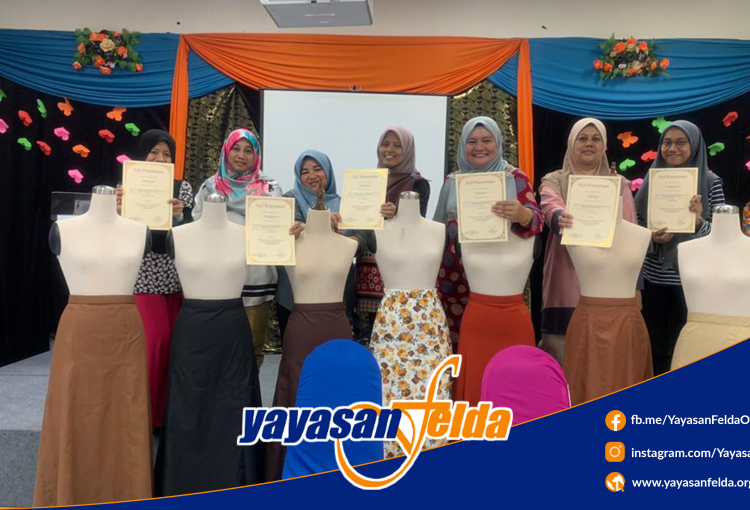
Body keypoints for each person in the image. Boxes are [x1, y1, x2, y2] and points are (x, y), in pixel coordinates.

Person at [193, 128, 300, 368]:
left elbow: (278, 223)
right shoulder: (210, 187)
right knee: (218, 349)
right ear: (226, 151)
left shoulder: (269, 187)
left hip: (256, 280)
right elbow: (198, 227)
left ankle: (249, 390)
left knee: (252, 349)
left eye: (248, 151)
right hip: (218, 280)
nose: (241, 155)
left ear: (256, 156)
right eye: (236, 148)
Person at [433, 116, 542, 346]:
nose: (479, 147)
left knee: (496, 347)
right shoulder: (452, 182)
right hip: (454, 281)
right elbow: (437, 229)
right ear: (463, 145)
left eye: (486, 140)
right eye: (472, 141)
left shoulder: (515, 178)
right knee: (460, 348)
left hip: (498, 283)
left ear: (498, 143)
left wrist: (523, 214)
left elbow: (537, 221)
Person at [538, 118, 636, 365]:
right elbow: (549, 206)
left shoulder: (619, 185)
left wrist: (635, 288)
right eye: (582, 139)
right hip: (565, 275)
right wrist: (560, 217)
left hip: (607, 278)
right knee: (562, 353)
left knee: (602, 358)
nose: (589, 144)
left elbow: (631, 233)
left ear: (605, 146)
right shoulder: (554, 180)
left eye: (596, 139)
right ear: (571, 144)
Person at [115, 129, 193, 431]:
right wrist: (117, 211)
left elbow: (189, 233)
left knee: (173, 346)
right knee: (155, 342)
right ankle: (140, 416)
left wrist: (180, 216)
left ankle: (162, 417)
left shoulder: (182, 188)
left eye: (167, 154)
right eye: (154, 152)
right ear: (142, 154)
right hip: (143, 275)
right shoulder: (126, 186)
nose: (160, 159)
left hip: (174, 278)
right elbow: (116, 233)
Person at [634, 120, 726, 375]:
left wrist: (698, 224)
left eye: (680, 142)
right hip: (654, 281)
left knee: (687, 350)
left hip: (692, 283)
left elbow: (723, 235)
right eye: (667, 142)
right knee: (655, 351)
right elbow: (634, 227)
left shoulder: (711, 182)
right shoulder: (652, 179)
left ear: (694, 145)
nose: (672, 148)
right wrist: (651, 236)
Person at [276, 150, 365, 339]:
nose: (312, 176)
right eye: (305, 172)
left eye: (317, 169)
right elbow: (293, 227)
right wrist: (321, 222)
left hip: (338, 293)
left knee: (335, 353)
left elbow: (363, 237)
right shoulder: (289, 199)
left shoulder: (345, 203)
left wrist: (352, 242)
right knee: (298, 350)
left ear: (328, 171)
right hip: (295, 296)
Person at [356, 127, 429, 338]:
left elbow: (418, 224)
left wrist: (397, 215)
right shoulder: (368, 182)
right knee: (369, 334)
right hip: (367, 267)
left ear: (408, 150)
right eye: (385, 144)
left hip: (398, 267)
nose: (389, 150)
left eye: (397, 145)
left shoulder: (418, 184)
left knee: (398, 331)